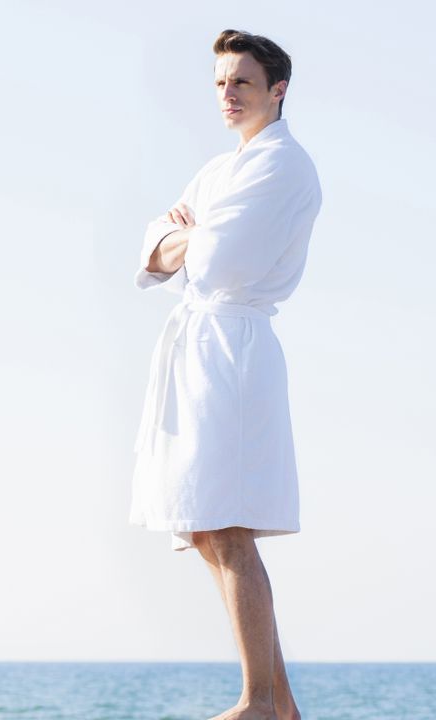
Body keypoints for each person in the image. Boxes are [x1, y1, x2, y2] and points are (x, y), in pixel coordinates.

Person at [129, 29, 322, 720]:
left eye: (241, 81)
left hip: (235, 349)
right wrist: (188, 234)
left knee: (231, 525)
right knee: (206, 526)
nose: (228, 94)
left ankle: (259, 699)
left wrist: (188, 236)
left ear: (277, 89)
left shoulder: (286, 166)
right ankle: (284, 706)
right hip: (198, 346)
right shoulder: (218, 172)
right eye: (219, 83)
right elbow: (152, 255)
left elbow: (218, 259)